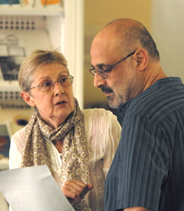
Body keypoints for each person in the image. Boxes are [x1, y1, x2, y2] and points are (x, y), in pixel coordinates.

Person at [89, 18, 184, 211]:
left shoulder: (143, 116)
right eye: (94, 71)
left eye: (104, 69)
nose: (97, 82)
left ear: (139, 60)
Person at [9, 49, 121, 211]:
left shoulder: (103, 123)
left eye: (63, 80)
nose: (59, 90)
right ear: (28, 98)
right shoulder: (20, 143)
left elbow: (123, 194)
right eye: (46, 84)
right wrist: (60, 203)